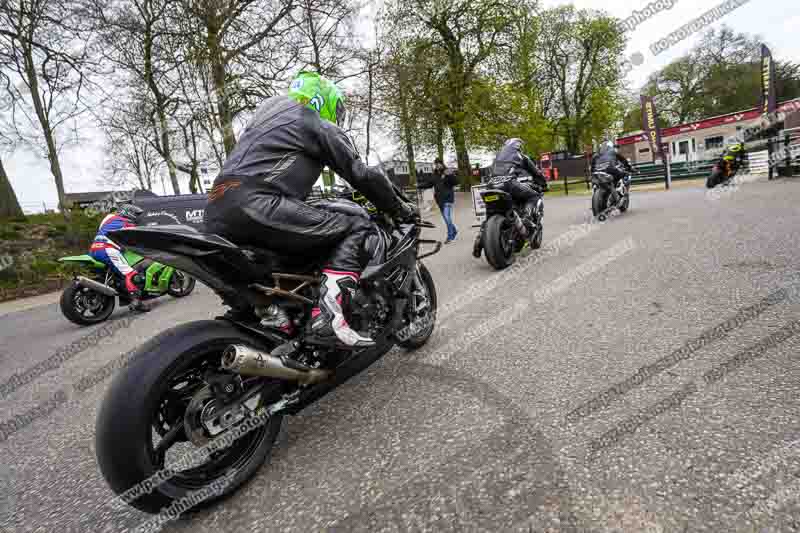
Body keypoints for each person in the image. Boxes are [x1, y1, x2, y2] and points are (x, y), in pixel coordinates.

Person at [203, 71, 416, 349]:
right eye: (337, 109)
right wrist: (399, 208)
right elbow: (361, 174)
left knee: (268, 273)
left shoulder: (262, 121)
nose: (337, 116)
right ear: (324, 100)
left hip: (215, 213)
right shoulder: (311, 120)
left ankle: (272, 315)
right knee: (356, 226)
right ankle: (328, 316)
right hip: (257, 205)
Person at [89, 203, 150, 312]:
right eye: (135, 214)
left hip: (94, 249)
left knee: (118, 274)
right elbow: (138, 240)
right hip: (107, 249)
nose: (136, 217)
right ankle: (136, 302)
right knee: (131, 274)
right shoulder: (127, 224)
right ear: (129, 213)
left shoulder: (108, 218)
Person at [490, 138, 548, 224]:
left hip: (491, 185)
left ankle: (483, 230)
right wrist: (544, 185)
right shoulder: (520, 156)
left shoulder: (496, 157)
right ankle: (527, 220)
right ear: (518, 146)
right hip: (509, 183)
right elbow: (536, 173)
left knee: (492, 209)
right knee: (534, 196)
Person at [419, 158, 459, 243]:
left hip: (448, 198)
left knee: (447, 217)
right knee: (445, 217)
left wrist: (450, 175)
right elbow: (428, 184)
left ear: (442, 164)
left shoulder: (447, 172)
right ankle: (454, 230)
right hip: (439, 200)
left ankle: (450, 236)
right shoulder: (434, 175)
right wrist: (418, 186)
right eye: (436, 164)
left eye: (439, 163)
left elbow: (456, 182)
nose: (437, 165)